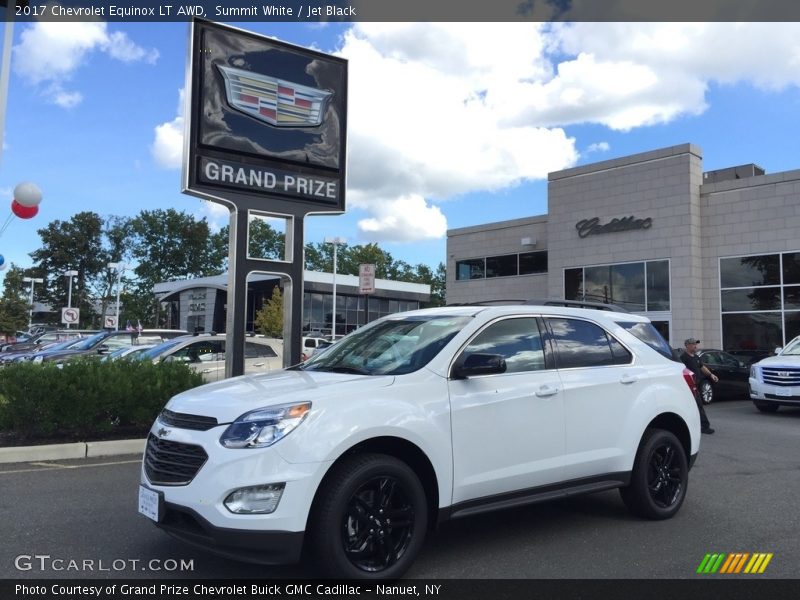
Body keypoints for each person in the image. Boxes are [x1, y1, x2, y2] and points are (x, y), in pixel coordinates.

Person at [680, 337, 717, 435]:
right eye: (693, 344)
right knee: (697, 406)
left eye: (696, 344)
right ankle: (704, 426)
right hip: (689, 387)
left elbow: (702, 367)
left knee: (695, 406)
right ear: (687, 345)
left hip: (696, 386)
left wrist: (711, 375)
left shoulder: (696, 357)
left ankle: (693, 426)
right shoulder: (683, 358)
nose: (696, 346)